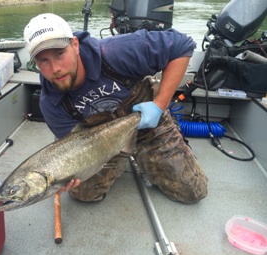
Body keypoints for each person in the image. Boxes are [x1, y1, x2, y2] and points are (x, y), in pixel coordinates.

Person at [23, 13, 208, 204]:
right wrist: (71, 171)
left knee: (192, 191)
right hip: (99, 145)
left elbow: (182, 45)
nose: (55, 69)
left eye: (59, 54)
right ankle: (122, 158)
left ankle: (156, 151)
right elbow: (71, 143)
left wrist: (160, 104)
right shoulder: (51, 104)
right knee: (83, 194)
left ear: (75, 45)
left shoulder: (117, 52)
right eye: (43, 60)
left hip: (149, 126)